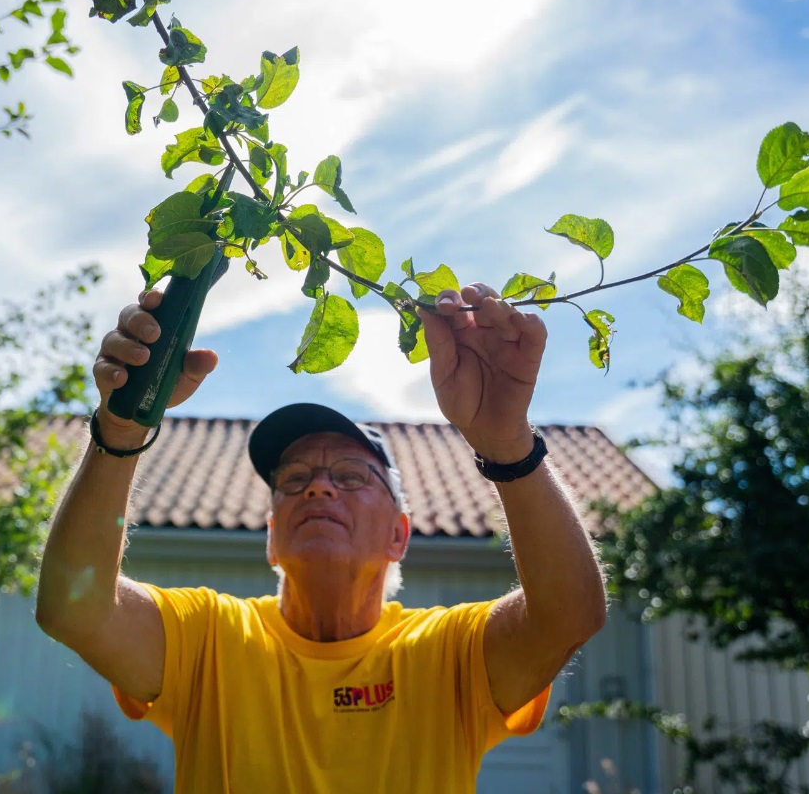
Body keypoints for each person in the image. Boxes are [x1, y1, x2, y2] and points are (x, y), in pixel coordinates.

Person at [35, 282, 608, 793]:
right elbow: (75, 609)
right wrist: (121, 431)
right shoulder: (209, 638)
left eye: (352, 477)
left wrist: (508, 445)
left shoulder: (445, 652)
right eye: (295, 479)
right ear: (270, 540)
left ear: (399, 534)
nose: (318, 490)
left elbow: (567, 615)